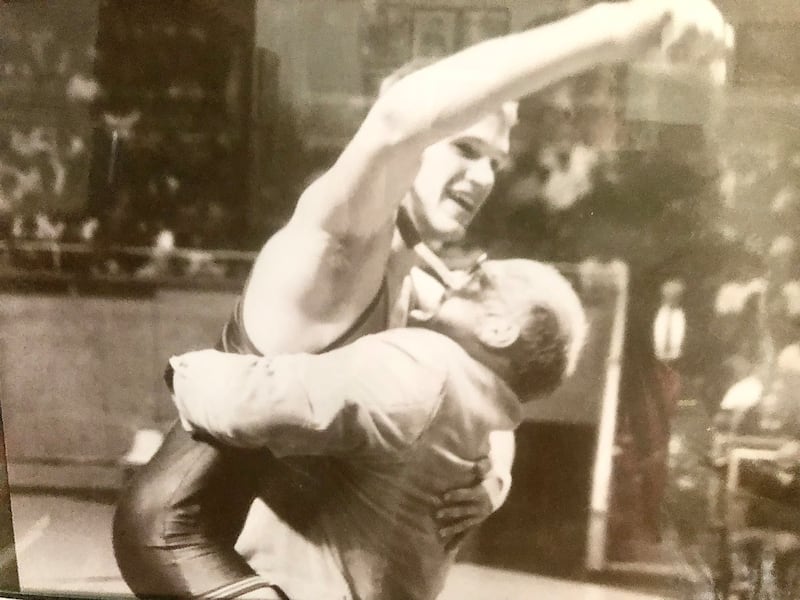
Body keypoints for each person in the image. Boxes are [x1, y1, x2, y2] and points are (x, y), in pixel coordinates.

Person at [113, 1, 731, 598]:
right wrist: (614, 28)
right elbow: (399, 117)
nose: (484, 178)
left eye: (495, 162)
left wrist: (493, 473)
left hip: (234, 537)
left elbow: (489, 388)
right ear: (418, 143)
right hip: (178, 534)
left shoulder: (423, 275)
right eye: (465, 149)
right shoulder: (339, 241)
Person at [167, 258, 587, 600]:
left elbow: (249, 404)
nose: (455, 276)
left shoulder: (422, 367)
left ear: (498, 330)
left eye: (479, 278)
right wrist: (496, 483)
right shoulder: (485, 410)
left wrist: (185, 370)